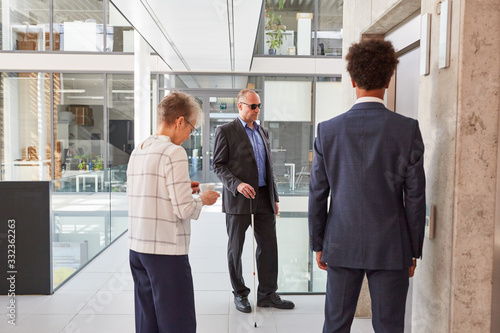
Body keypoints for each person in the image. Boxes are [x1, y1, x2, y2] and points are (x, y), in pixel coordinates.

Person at [308, 38, 426, 333]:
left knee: (335, 325)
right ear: (389, 79)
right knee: (389, 327)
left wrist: (318, 242)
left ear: (352, 80)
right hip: (391, 246)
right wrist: (412, 248)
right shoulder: (406, 130)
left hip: (340, 241)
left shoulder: (328, 131)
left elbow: (317, 193)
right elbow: (415, 197)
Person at [127, 91, 220, 333]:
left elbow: (146, 190)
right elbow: (184, 209)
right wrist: (204, 199)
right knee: (178, 323)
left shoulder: (140, 149)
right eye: (191, 127)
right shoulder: (174, 153)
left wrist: (181, 188)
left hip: (138, 249)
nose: (190, 135)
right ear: (179, 121)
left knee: (147, 322)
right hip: (166, 252)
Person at [213, 89, 295, 313]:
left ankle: (268, 294)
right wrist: (237, 184)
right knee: (235, 249)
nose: (257, 110)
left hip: (263, 199)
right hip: (239, 199)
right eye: (253, 106)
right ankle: (240, 294)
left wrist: (274, 197)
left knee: (269, 247)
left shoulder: (263, 132)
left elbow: (269, 169)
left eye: (259, 106)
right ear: (240, 106)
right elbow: (218, 165)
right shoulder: (225, 131)